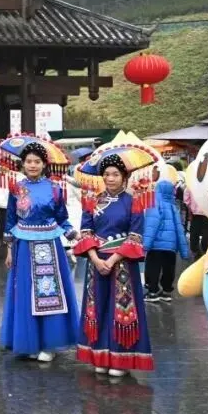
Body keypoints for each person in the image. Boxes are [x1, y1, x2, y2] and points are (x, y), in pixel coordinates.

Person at [0, 138, 80, 362]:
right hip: (24, 246)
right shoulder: (16, 189)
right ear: (23, 164)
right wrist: (9, 250)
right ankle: (29, 342)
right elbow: (11, 220)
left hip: (50, 246)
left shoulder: (55, 189)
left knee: (49, 293)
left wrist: (74, 235)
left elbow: (62, 218)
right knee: (26, 292)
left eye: (37, 161)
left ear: (44, 164)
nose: (33, 165)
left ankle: (48, 343)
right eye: (29, 161)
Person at [73, 154, 152, 377]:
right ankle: (99, 356)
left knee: (122, 311)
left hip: (122, 263)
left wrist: (112, 259)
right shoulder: (93, 201)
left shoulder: (134, 201)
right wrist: (96, 259)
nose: (110, 178)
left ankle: (120, 359)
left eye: (115, 174)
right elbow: (86, 232)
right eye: (106, 174)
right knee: (96, 308)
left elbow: (135, 236)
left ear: (124, 177)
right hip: (96, 262)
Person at [142, 174, 190, 303]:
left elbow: (151, 224)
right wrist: (184, 251)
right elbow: (179, 229)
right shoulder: (173, 207)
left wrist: (145, 245)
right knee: (169, 268)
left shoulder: (154, 204)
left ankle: (152, 291)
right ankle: (167, 291)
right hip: (171, 246)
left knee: (153, 267)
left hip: (156, 244)